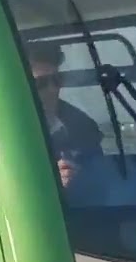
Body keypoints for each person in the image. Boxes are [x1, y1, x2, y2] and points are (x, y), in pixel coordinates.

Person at [25, 41, 105, 191]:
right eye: (41, 83)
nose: (52, 89)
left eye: (56, 80)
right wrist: (49, 184)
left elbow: (103, 183)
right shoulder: (1, 133)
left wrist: (81, 179)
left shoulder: (83, 127)